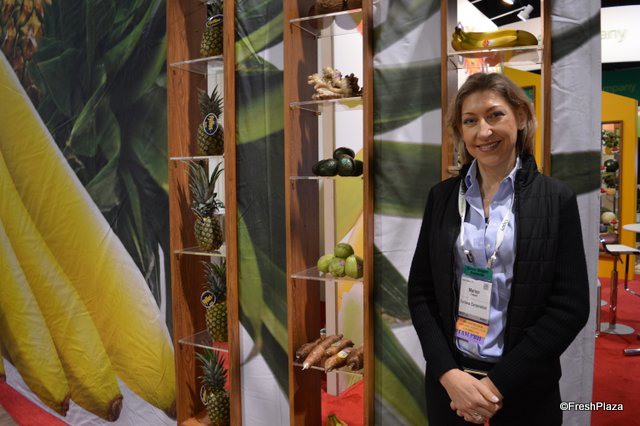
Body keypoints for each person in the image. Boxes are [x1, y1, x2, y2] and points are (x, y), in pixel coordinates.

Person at [407, 72, 590, 425]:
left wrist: (496, 385)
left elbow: (570, 307)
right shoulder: (442, 197)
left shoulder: (556, 199)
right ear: (460, 131)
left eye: (495, 115)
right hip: (452, 389)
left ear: (520, 117)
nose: (484, 132)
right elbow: (421, 293)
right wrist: (448, 374)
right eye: (470, 121)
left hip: (524, 390)